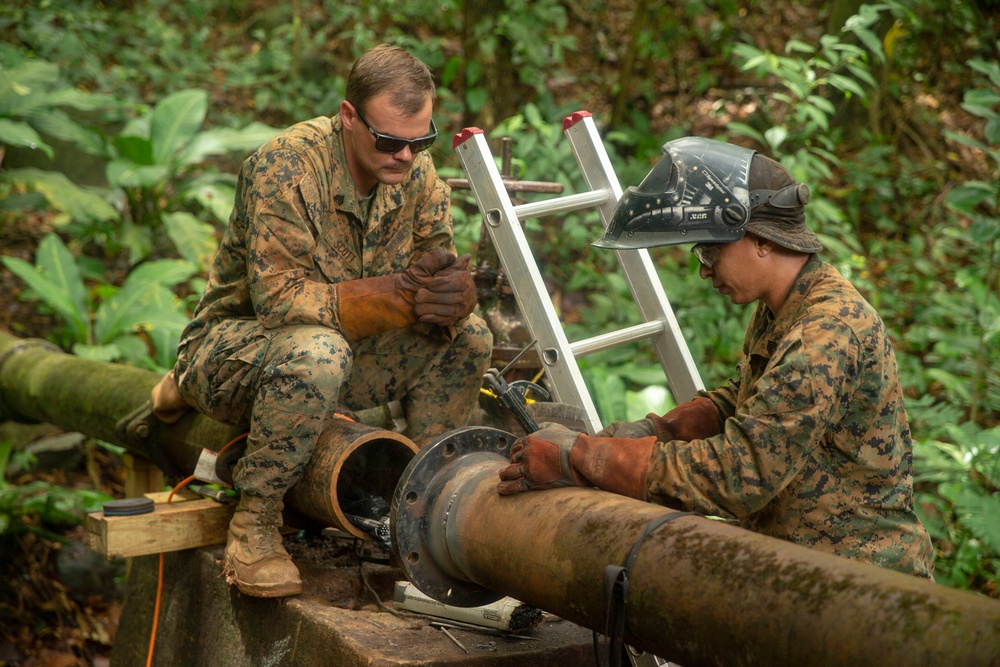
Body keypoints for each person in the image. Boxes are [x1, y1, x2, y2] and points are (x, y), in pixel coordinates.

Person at [497, 137, 934, 579]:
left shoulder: (824, 333)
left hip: (862, 583)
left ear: (761, 241)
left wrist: (587, 458)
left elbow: (739, 474)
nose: (704, 269)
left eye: (711, 250)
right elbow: (749, 399)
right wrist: (655, 431)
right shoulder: (783, 305)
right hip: (805, 566)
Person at [150, 44, 493, 598]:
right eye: (389, 141)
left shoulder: (418, 174)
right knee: (317, 352)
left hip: (332, 360)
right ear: (349, 117)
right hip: (237, 348)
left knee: (469, 338)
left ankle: (419, 510)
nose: (406, 157)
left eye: (420, 141)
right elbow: (279, 302)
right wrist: (396, 296)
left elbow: (435, 265)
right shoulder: (285, 167)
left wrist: (454, 295)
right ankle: (255, 524)